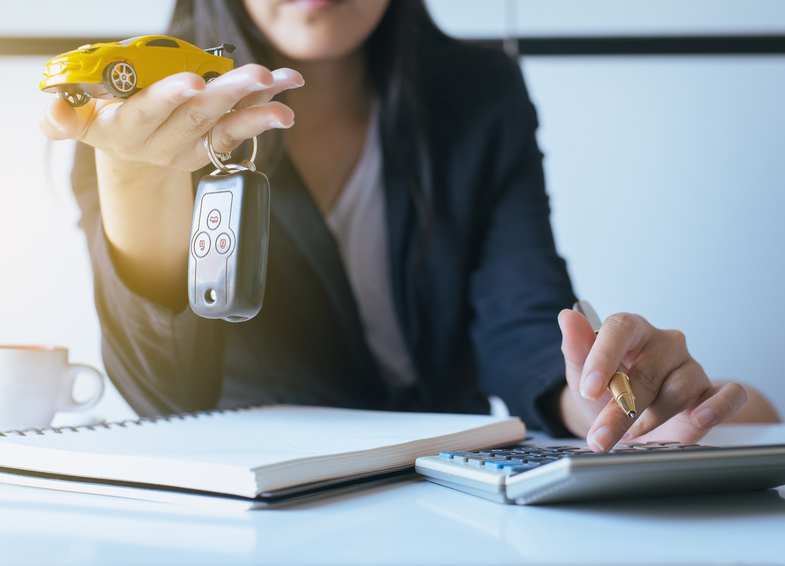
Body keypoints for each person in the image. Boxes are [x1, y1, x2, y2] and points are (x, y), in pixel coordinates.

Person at [39, 0, 778, 452]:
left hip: (446, 499)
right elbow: (166, 397)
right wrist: (135, 180)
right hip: (252, 506)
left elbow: (523, 322)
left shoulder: (480, 96)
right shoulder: (140, 119)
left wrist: (603, 399)